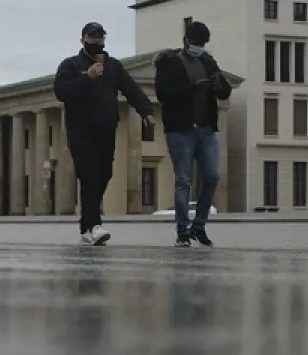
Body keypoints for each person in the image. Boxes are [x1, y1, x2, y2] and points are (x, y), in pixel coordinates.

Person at [54, 21, 155, 245]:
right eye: (92, 37)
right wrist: (86, 78)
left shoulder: (113, 66)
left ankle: (87, 226)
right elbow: (61, 92)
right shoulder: (70, 65)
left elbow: (132, 90)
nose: (97, 40)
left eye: (100, 37)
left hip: (106, 130)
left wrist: (146, 111)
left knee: (104, 175)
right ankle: (93, 225)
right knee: (89, 176)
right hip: (81, 131)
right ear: (83, 40)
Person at [154, 19, 234, 247]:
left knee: (212, 176)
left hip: (206, 129)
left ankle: (199, 226)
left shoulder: (207, 61)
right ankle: (182, 231)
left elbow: (224, 93)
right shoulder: (169, 62)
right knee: (183, 180)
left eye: (203, 43)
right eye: (196, 42)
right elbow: (163, 94)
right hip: (180, 130)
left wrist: (220, 84)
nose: (199, 47)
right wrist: (192, 88)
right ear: (186, 40)